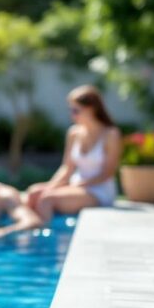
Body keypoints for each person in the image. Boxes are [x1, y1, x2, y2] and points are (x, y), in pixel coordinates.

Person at [24, 85, 121, 222]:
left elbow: (108, 172)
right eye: (71, 110)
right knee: (34, 192)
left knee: (47, 199)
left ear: (91, 109)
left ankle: (41, 237)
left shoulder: (110, 134)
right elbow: (67, 168)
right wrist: (51, 185)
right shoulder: (73, 133)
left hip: (99, 191)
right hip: (76, 186)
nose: (72, 114)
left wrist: (78, 185)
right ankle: (28, 229)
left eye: (76, 110)